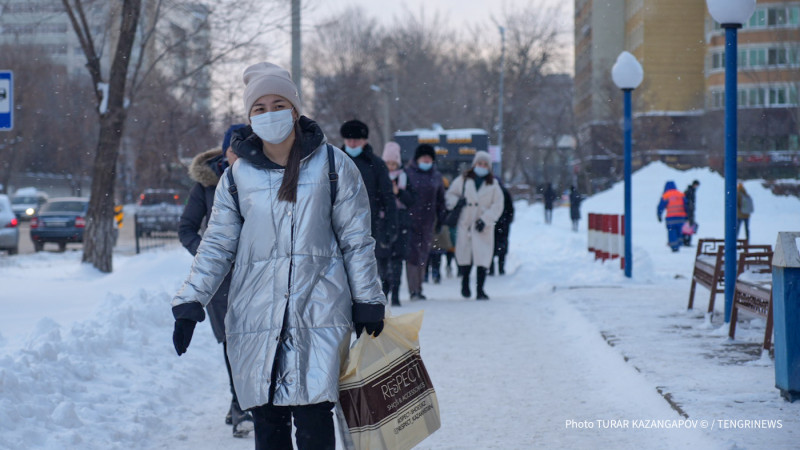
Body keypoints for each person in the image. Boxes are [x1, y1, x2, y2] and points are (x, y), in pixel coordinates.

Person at [171, 62, 386, 450]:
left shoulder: (335, 165)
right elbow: (217, 244)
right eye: (260, 108)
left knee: (313, 421)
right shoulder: (236, 178)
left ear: (295, 108)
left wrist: (368, 299)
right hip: (254, 316)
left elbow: (357, 240)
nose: (270, 114)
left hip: (319, 312)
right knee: (268, 427)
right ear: (249, 117)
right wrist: (190, 301)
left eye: (278, 104)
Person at [177, 123, 253, 437]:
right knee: (233, 342)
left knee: (256, 339)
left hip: (256, 275)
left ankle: (246, 400)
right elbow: (187, 229)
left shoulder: (260, 178)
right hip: (222, 282)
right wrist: (211, 255)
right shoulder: (207, 186)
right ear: (225, 151)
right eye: (235, 150)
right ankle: (241, 404)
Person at [339, 120, 398, 279]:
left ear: (364, 141)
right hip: (340, 223)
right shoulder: (335, 161)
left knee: (369, 268)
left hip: (370, 224)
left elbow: (387, 197)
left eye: (356, 140)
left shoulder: (376, 164)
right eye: (349, 140)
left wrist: (391, 226)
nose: (352, 143)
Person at [446, 151, 504, 300]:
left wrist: (485, 219)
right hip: (466, 223)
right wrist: (457, 203)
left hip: (483, 226)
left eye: (485, 164)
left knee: (483, 257)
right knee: (465, 255)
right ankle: (465, 283)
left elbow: (498, 205)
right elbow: (450, 194)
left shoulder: (494, 184)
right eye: (480, 163)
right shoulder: (463, 180)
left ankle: (480, 289)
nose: (482, 166)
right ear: (474, 165)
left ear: (489, 167)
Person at [405, 144, 447, 300]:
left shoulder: (436, 176)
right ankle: (412, 289)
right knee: (412, 256)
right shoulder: (408, 173)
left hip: (428, 222)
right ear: (417, 158)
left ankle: (419, 288)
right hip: (410, 221)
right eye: (424, 157)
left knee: (423, 255)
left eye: (429, 158)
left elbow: (441, 200)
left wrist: (441, 218)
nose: (426, 160)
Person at [381, 141, 414, 306]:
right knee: (382, 262)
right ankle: (384, 292)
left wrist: (398, 193)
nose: (391, 167)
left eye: (394, 163)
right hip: (383, 221)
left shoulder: (405, 177)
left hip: (401, 223)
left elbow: (411, 200)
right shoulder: (379, 175)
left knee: (397, 262)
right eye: (388, 163)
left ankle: (396, 294)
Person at [489, 180, 513, 275]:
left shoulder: (492, 192)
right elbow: (510, 209)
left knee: (491, 246)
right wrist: (507, 220)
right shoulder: (504, 192)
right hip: (503, 224)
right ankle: (501, 268)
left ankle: (491, 269)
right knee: (502, 246)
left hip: (494, 223)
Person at [656, 180, 687, 252]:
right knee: (679, 232)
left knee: (672, 232)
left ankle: (674, 246)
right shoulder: (680, 194)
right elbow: (686, 205)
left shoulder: (666, 195)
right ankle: (679, 243)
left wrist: (659, 215)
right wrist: (687, 216)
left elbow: (660, 207)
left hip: (671, 219)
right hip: (681, 218)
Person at [682, 180, 700, 246]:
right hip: (688, 211)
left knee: (688, 226)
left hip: (689, 211)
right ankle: (686, 241)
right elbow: (688, 202)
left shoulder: (691, 191)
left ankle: (686, 241)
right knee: (688, 226)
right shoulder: (690, 191)